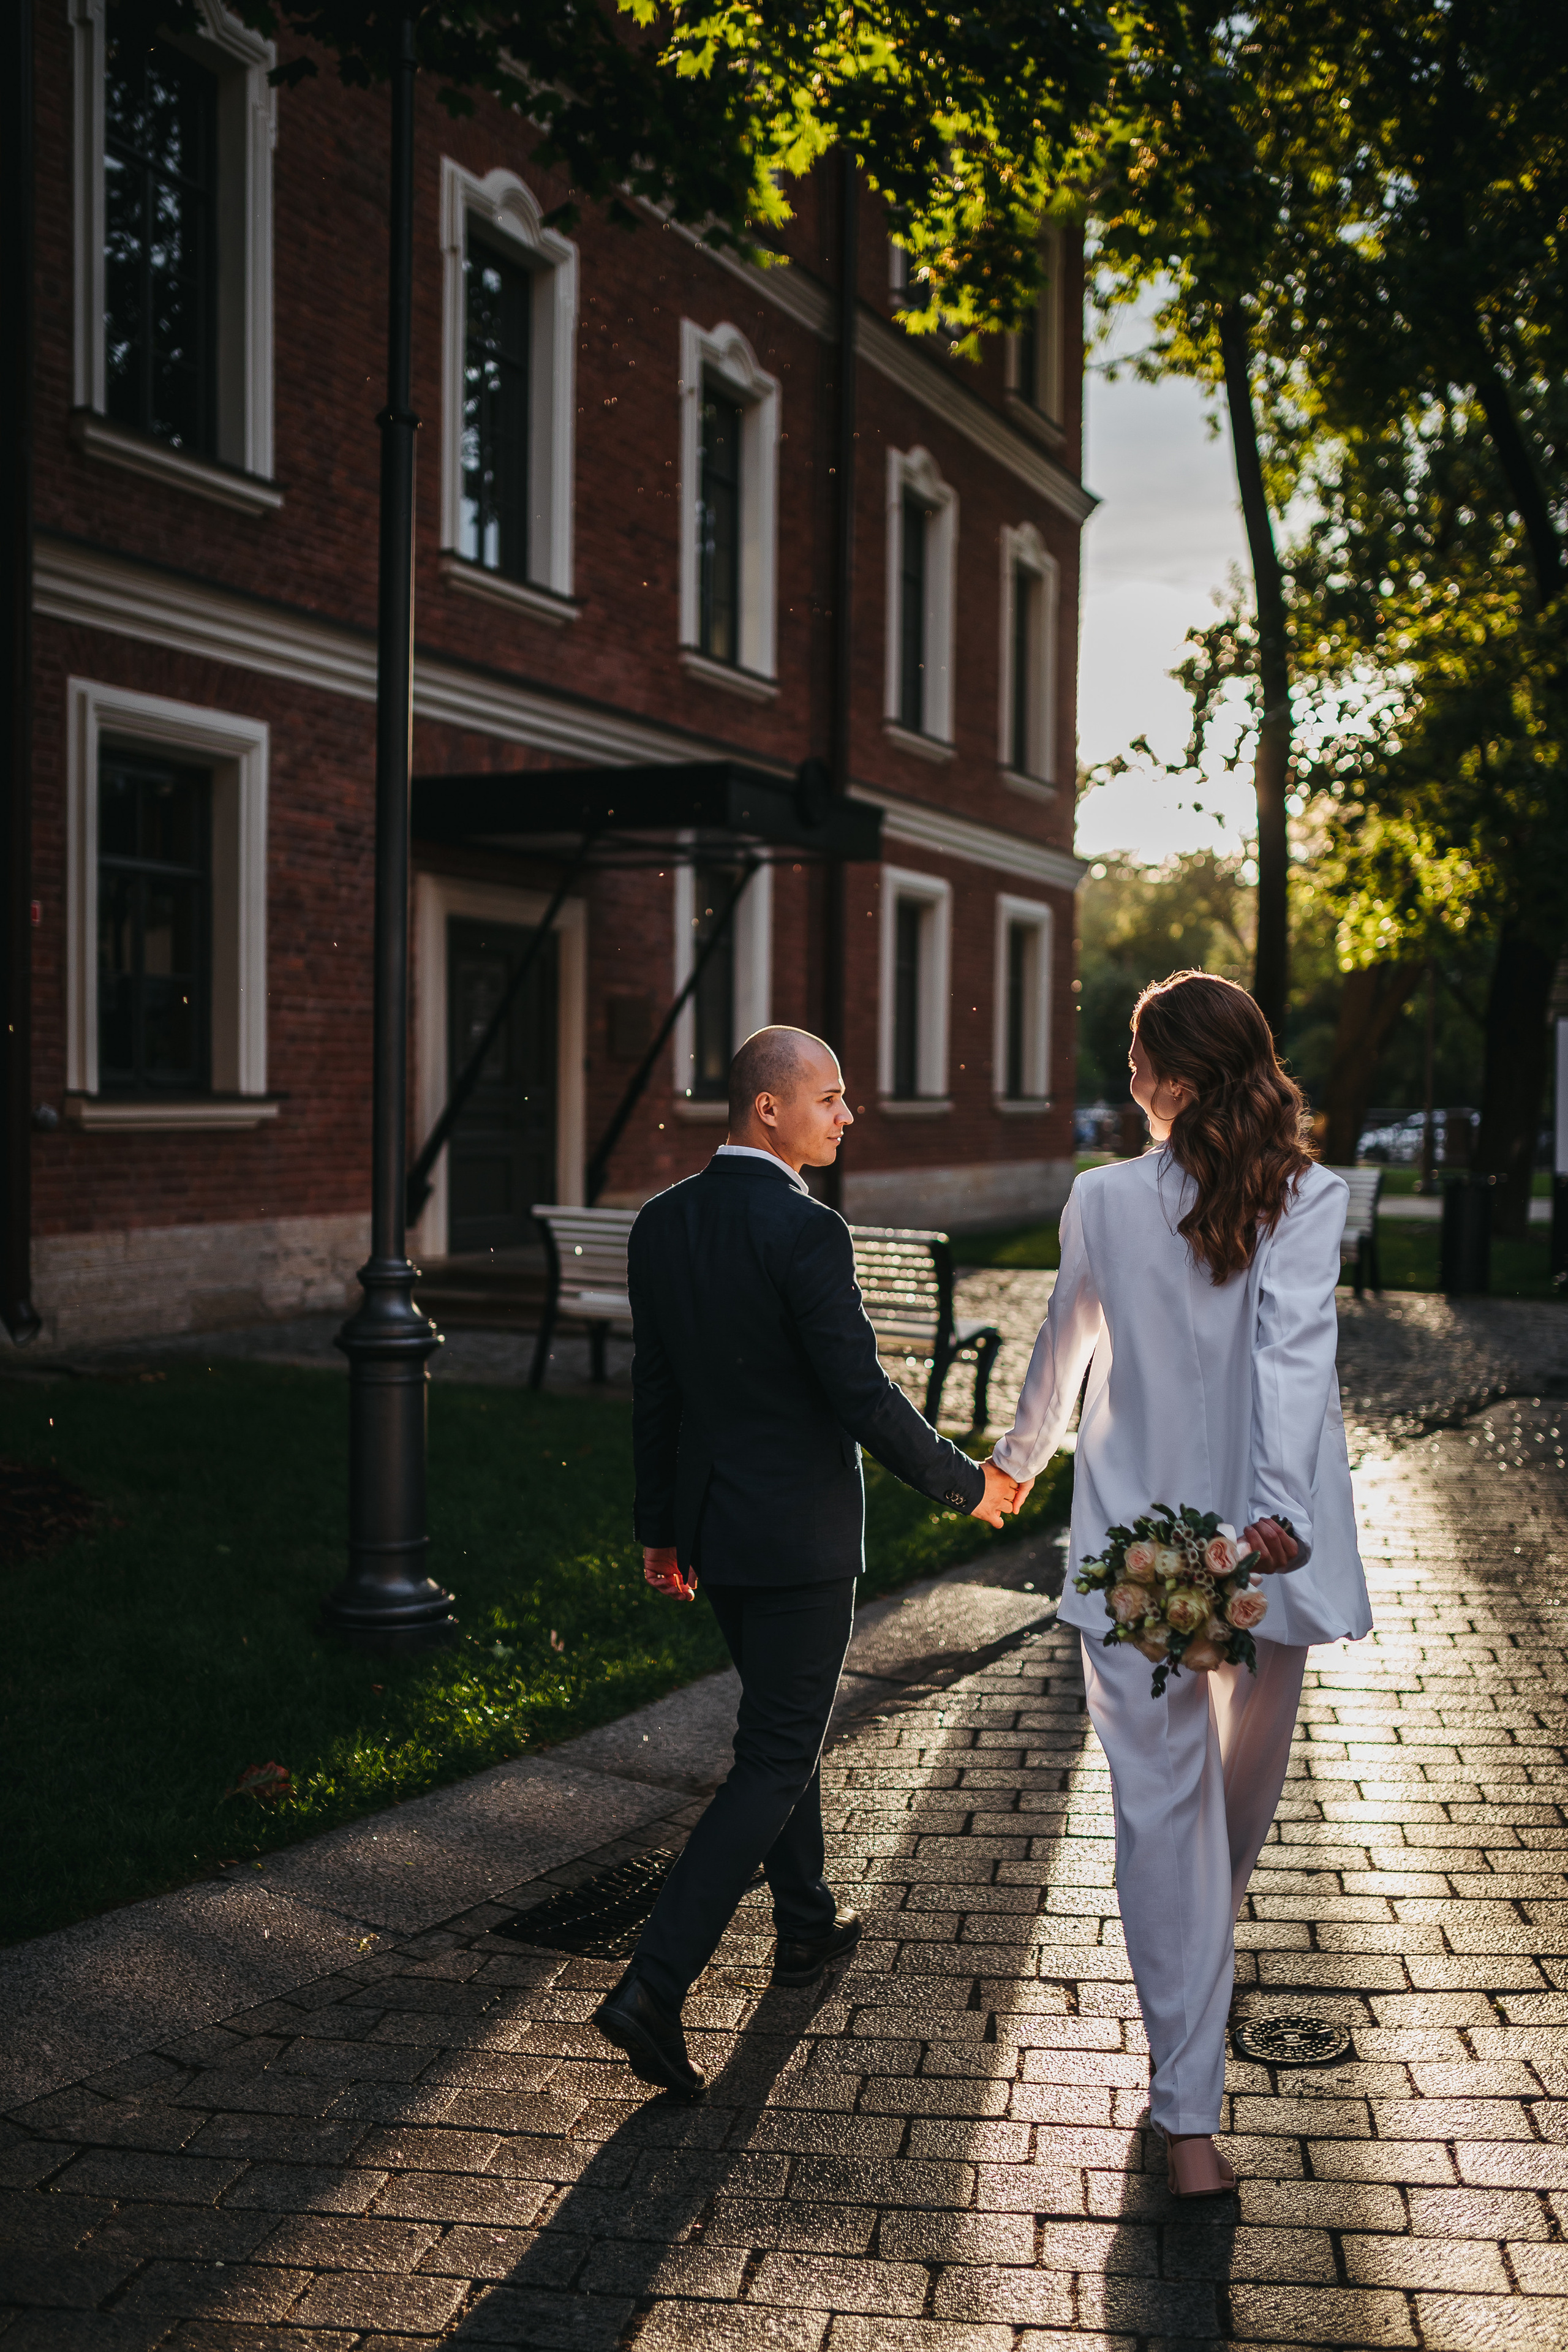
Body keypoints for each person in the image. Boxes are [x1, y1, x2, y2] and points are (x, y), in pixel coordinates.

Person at [991, 971, 1371, 2197]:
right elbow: (1291, 1356)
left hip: (1149, 1557)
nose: (1126, 1080)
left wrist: (1010, 1464)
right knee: (1218, 1826)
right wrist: (1274, 1513)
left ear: (1171, 1074)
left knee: (1171, 1818)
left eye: (1135, 1058)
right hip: (1262, 1560)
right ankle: (1186, 2105)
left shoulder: (1105, 1200)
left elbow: (1062, 1346)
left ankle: (1187, 2114)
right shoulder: (1302, 1196)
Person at [595, 1024, 1022, 2095]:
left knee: (786, 1723)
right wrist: (966, 1483)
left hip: (714, 1530)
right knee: (776, 1755)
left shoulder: (661, 1224)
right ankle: (653, 1982)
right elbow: (860, 1395)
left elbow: (656, 1396)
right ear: (768, 1110)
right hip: (795, 1541)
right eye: (829, 1098)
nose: (846, 1115)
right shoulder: (807, 1231)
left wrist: (658, 1528)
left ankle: (806, 1922)